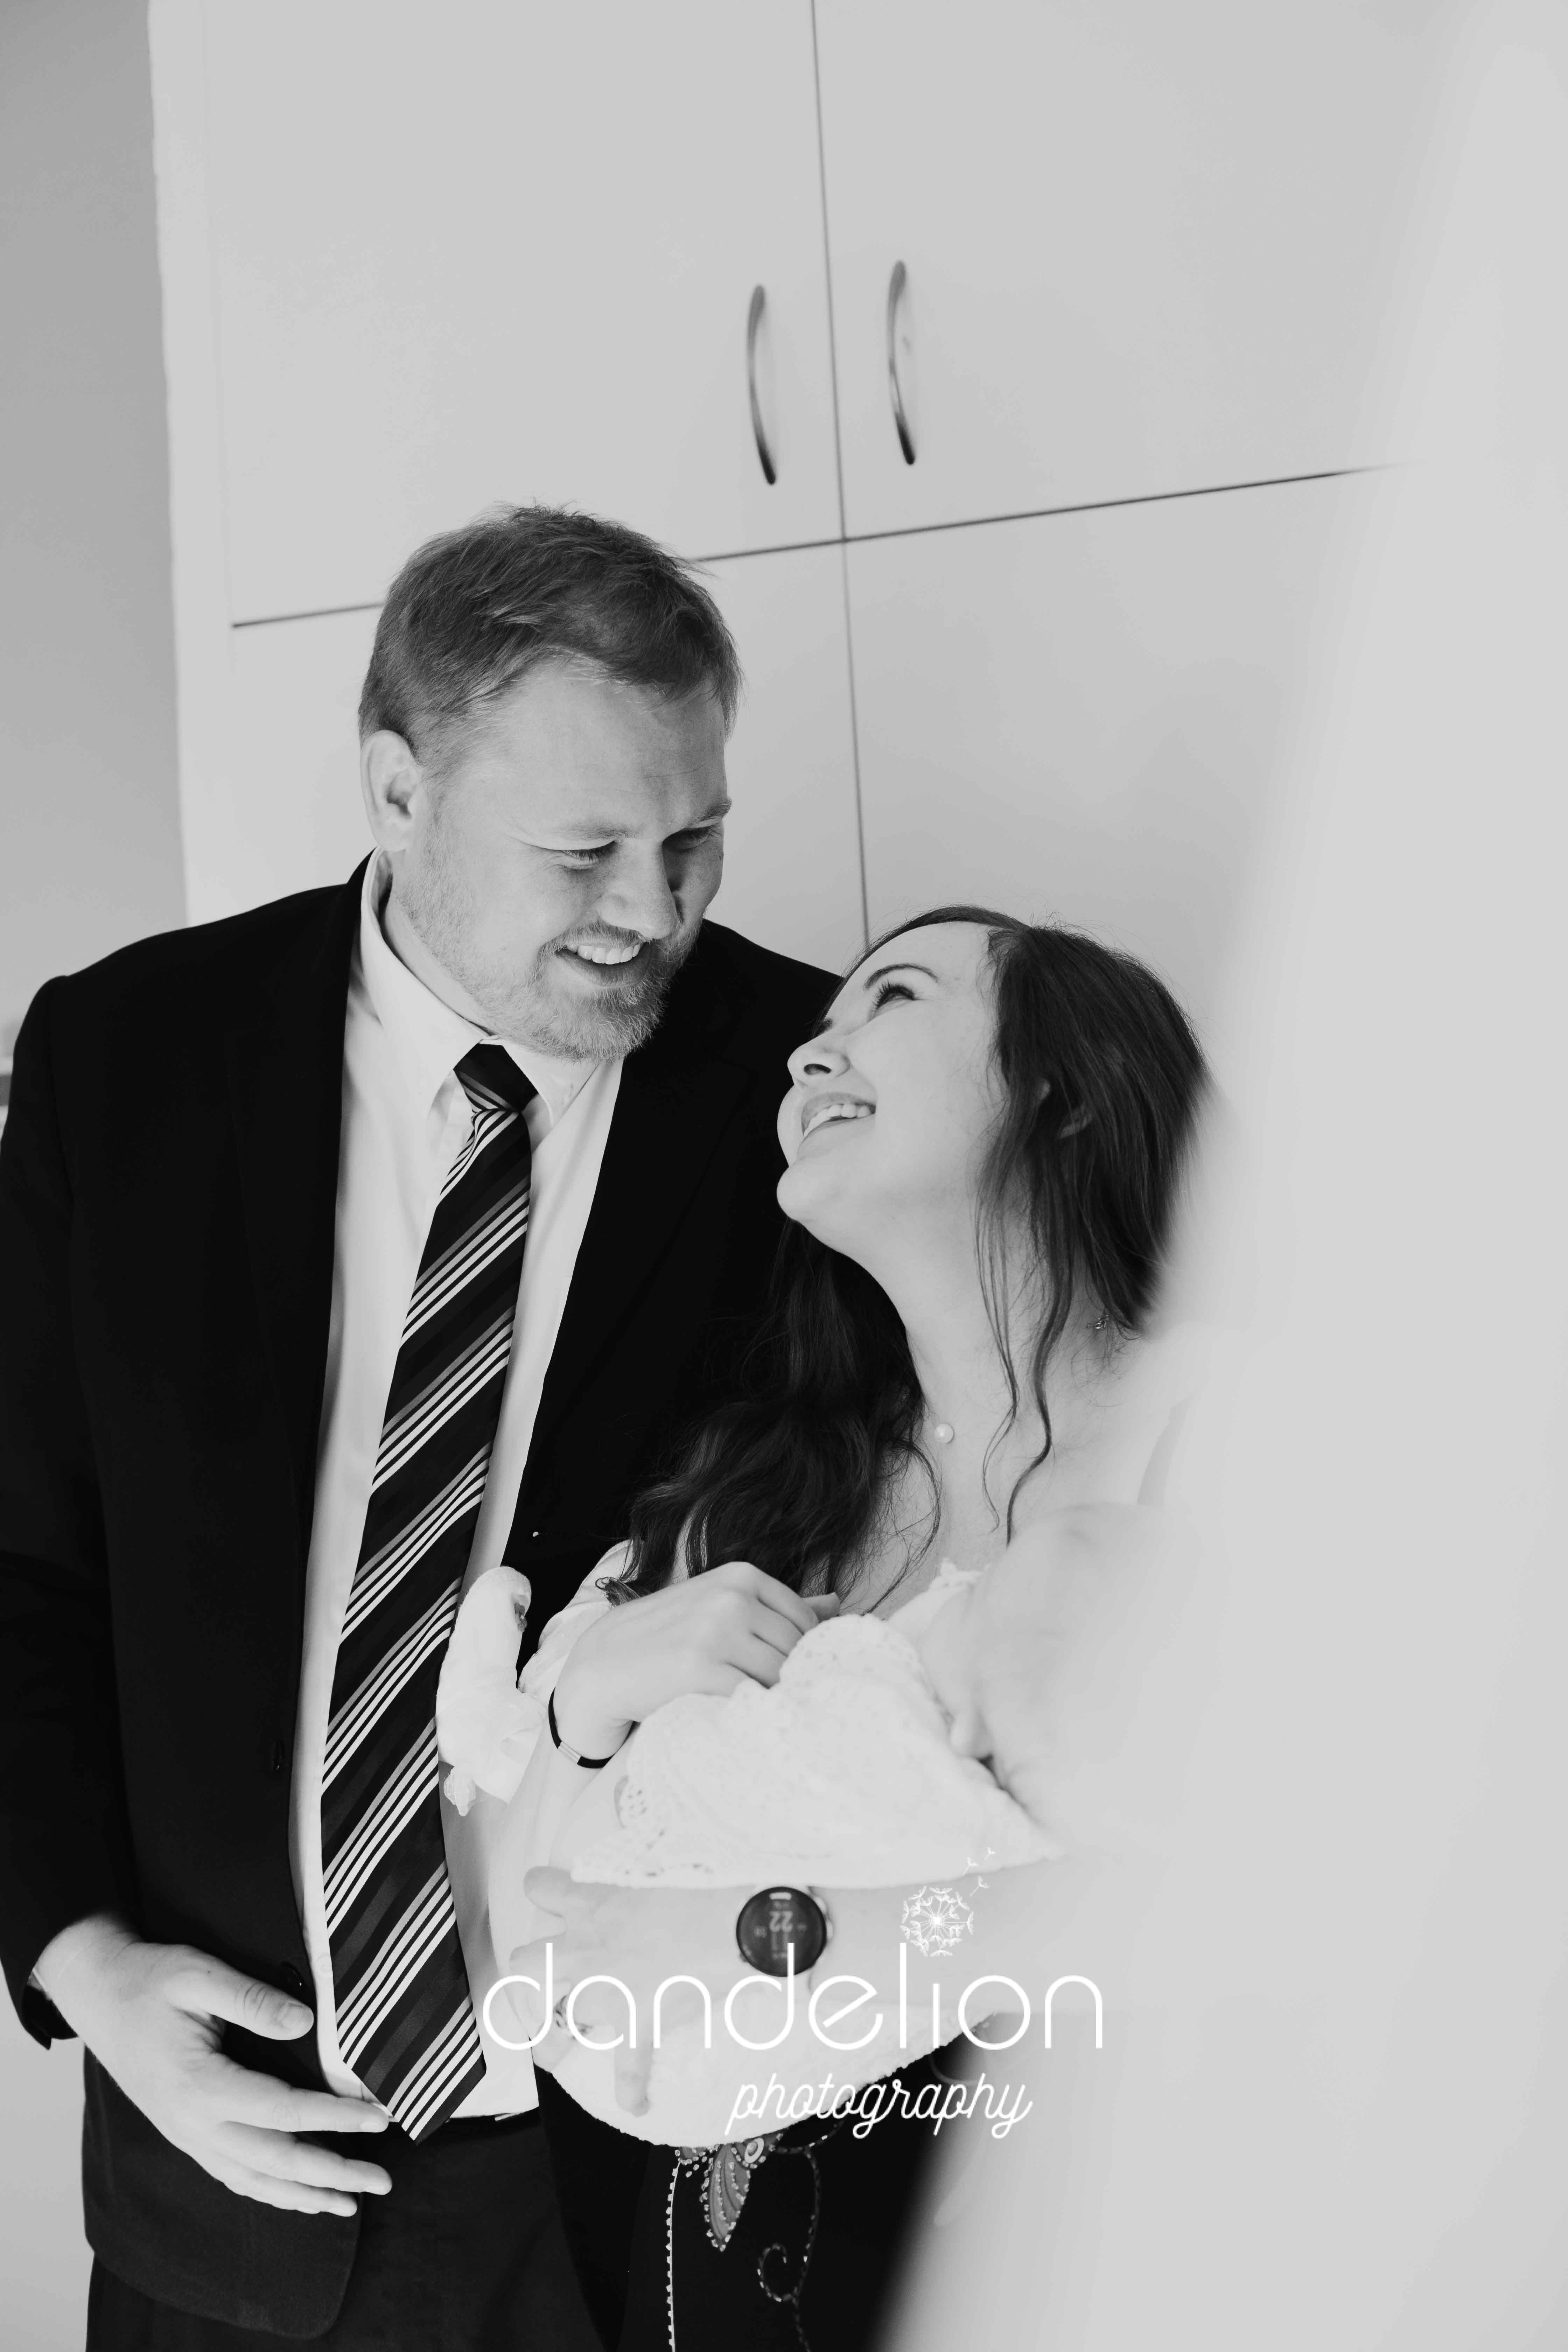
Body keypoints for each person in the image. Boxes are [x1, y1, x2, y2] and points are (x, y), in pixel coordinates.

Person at [0, 505, 835, 2350]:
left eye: (695, 840)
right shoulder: (122, 1062)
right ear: (398, 791)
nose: (654, 910)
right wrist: (81, 1962)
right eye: (585, 851)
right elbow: (23, 1570)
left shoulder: (809, 1083)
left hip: (646, 2187)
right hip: (219, 2178)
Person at [450, 908, 1208, 2348]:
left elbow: (1317, 1906)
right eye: (818, 1027)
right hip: (719, 2283)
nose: (812, 1054)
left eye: (893, 998)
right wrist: (584, 1702)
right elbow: (538, 1929)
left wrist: (778, 1941)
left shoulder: (1231, 1435)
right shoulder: (758, 1496)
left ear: (1065, 1090)